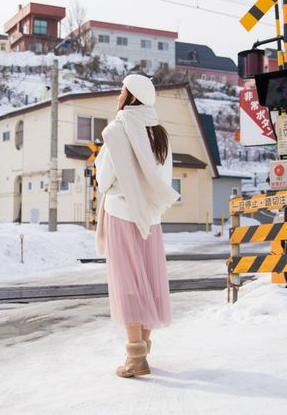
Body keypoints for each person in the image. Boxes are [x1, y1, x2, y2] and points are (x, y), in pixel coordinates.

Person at [94, 74, 181, 378]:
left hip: (122, 213)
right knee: (147, 280)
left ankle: (135, 358)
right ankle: (143, 349)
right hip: (151, 216)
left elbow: (104, 180)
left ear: (130, 96)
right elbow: (162, 178)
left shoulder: (116, 132)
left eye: (122, 91)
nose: (118, 95)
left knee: (127, 282)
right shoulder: (160, 135)